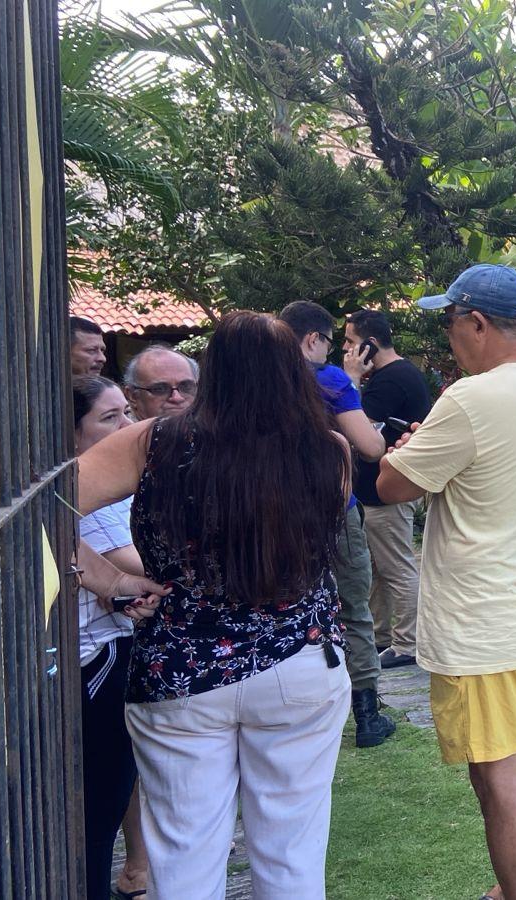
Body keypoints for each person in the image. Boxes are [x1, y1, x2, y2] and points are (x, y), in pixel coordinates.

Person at [76, 311, 353, 899]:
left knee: (184, 853)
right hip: (299, 660)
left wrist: (108, 579)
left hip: (180, 665)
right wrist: (109, 578)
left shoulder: (153, 441)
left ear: (214, 374)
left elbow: (44, 505)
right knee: (292, 853)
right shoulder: (330, 450)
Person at [377, 264, 516, 900]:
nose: (449, 339)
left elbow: (392, 486)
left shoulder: (471, 399)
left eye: (451, 323)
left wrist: (406, 450)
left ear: (478, 323)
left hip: (485, 623)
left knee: (497, 774)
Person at [278, 300, 395, 749]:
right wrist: (350, 389)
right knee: (353, 606)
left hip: (274, 510)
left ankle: (295, 716)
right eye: (331, 341)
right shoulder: (327, 380)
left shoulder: (257, 380)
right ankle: (367, 714)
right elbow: (371, 446)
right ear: (313, 339)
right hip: (332, 506)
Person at [72, 375, 153, 900]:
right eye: (109, 418)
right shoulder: (86, 491)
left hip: (107, 642)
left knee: (113, 791)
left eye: (127, 413)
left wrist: (121, 587)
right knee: (100, 803)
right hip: (91, 653)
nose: (127, 427)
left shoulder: (116, 484)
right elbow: (134, 566)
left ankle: (133, 874)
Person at [340, 309, 433, 669]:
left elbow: (357, 426)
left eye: (350, 341)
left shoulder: (393, 379)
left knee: (396, 567)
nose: (346, 349)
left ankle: (409, 642)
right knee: (379, 569)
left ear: (370, 344)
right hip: (375, 492)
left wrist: (351, 378)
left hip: (388, 492)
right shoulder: (392, 375)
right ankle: (382, 636)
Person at [122, 344, 199, 420]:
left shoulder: (207, 428)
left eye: (186, 387)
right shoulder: (120, 431)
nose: (177, 398)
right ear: (132, 396)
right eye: (160, 389)